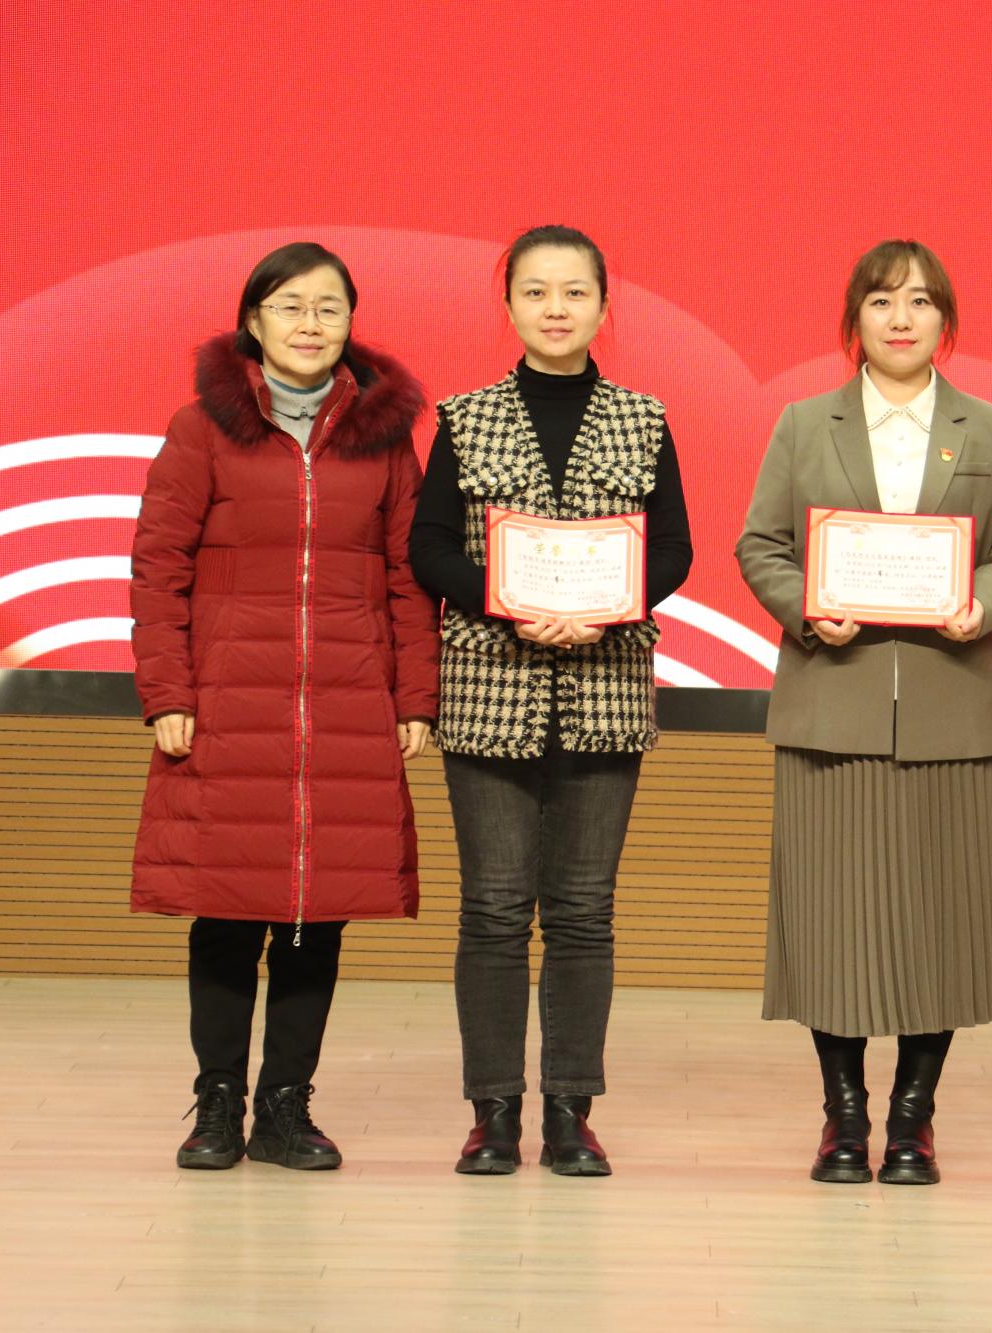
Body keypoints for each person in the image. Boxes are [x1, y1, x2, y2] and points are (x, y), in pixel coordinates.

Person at [735, 239, 992, 1186]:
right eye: (880, 301)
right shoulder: (803, 423)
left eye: (919, 301)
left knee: (941, 923)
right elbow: (762, 545)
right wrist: (806, 607)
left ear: (945, 319)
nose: (900, 318)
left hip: (953, 713)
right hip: (832, 707)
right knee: (831, 922)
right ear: (854, 319)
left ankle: (914, 1118)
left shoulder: (990, 428)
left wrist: (981, 604)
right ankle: (844, 1116)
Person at [130, 240, 438, 1172]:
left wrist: (414, 696)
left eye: (329, 308)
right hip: (227, 705)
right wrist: (166, 691)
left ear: (351, 324)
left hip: (348, 703)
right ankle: (218, 1103)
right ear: (253, 320)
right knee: (227, 910)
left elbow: (409, 577)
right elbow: (158, 567)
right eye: (291, 306)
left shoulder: (383, 437)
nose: (311, 324)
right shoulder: (202, 428)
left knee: (317, 913)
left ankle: (285, 1107)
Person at [409, 225, 693, 1177]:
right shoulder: (464, 417)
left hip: (605, 689)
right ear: (509, 306)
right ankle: (493, 1114)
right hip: (490, 686)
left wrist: (604, 609)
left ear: (604, 306)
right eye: (536, 291)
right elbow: (428, 546)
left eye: (575, 291)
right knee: (493, 909)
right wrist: (509, 601)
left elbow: (674, 549)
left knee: (582, 911)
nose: (556, 308)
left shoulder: (644, 419)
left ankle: (571, 1112)